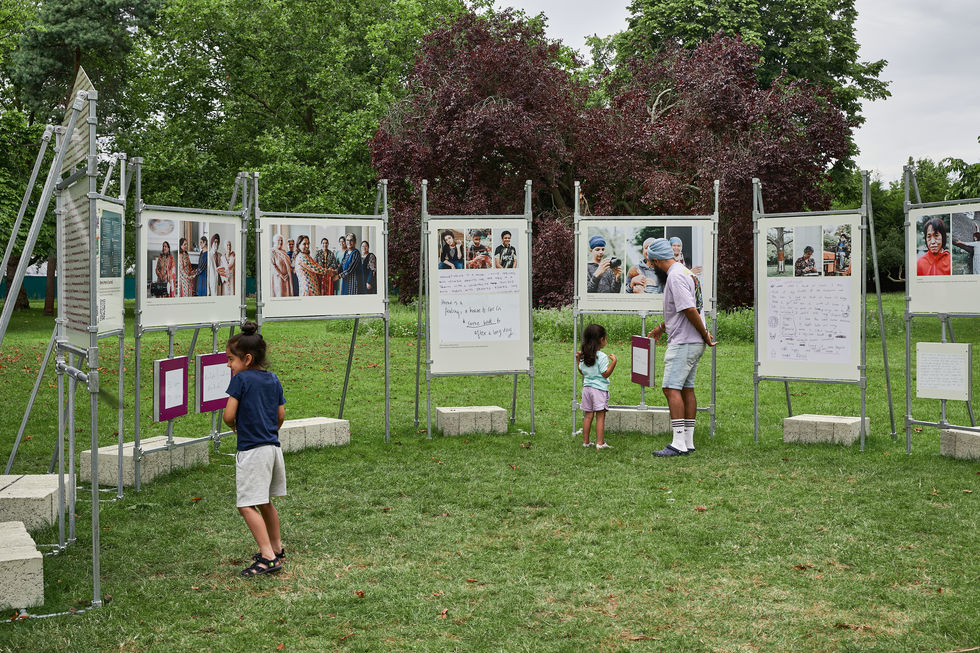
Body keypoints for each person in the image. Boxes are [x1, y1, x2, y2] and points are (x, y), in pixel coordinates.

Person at [222, 321, 286, 578]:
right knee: (265, 502)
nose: (228, 365)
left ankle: (268, 558)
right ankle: (277, 549)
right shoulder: (273, 379)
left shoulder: (241, 380)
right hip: (272, 449)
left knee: (247, 505)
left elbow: (228, 415)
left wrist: (234, 425)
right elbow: (280, 415)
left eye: (230, 360)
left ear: (247, 359)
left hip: (252, 451)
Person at [645, 238, 717, 457]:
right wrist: (661, 327)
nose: (651, 266)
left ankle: (677, 443)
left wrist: (705, 334)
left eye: (651, 263)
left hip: (685, 341)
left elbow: (688, 309)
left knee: (670, 388)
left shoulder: (675, 277)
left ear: (656, 260)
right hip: (692, 340)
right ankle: (688, 441)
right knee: (687, 388)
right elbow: (683, 310)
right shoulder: (687, 273)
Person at [576, 323, 617, 449]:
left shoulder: (583, 355)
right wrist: (614, 362)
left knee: (588, 416)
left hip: (586, 389)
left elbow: (582, 371)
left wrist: (578, 360)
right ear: (601, 340)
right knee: (600, 416)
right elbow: (605, 374)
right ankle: (600, 443)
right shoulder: (602, 356)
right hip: (599, 390)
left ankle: (586, 442)